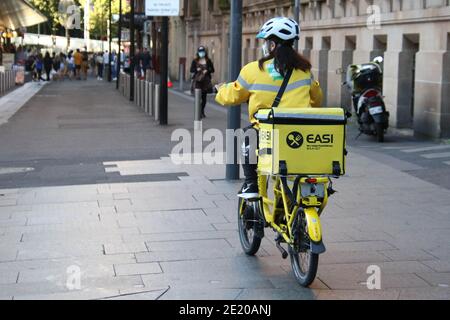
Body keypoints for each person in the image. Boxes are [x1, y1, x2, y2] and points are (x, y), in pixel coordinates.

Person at [215, 17, 323, 198]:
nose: (264, 46)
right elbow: (316, 99)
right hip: (300, 133)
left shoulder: (254, 70)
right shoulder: (304, 70)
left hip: (268, 134)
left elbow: (233, 95)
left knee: (247, 136)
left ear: (272, 45)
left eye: (266, 42)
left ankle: (251, 184)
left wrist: (219, 90)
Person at [190, 46, 215, 118]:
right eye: (200, 51)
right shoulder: (195, 61)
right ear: (198, 52)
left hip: (205, 81)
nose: (201, 53)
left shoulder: (208, 60)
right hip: (197, 81)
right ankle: (198, 111)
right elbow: (191, 70)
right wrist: (197, 69)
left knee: (204, 98)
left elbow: (212, 70)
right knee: (198, 96)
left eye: (202, 51)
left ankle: (202, 111)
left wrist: (207, 70)